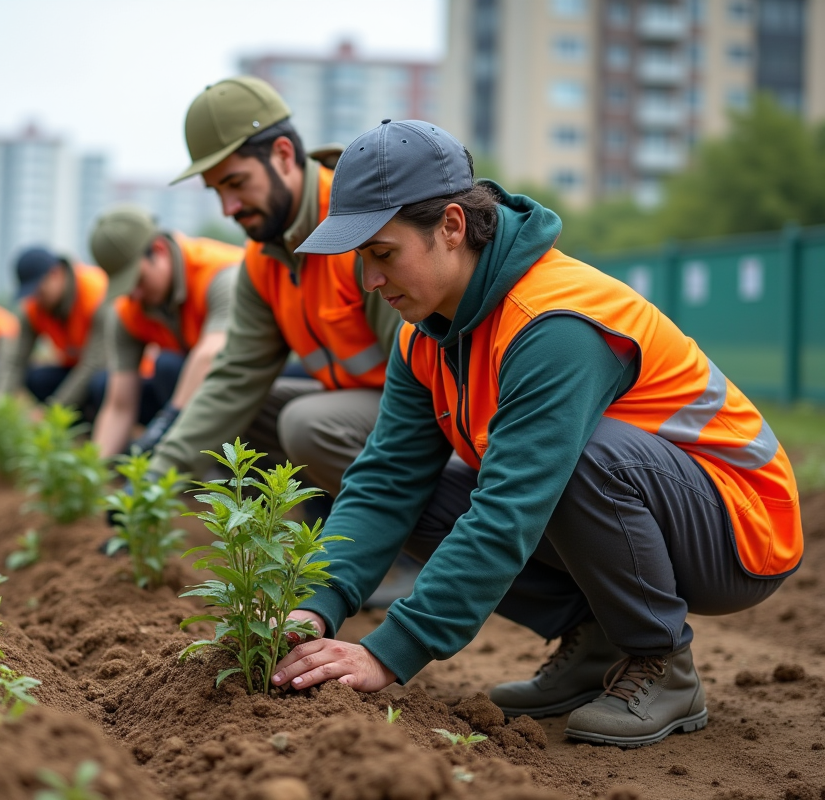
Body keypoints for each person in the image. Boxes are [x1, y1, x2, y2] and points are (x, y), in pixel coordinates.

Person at [270, 119, 803, 749]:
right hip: (651, 512)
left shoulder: (553, 323)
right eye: (361, 259)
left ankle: (661, 661)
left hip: (738, 526)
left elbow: (510, 507)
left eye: (382, 253)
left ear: (451, 226)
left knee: (571, 461)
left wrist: (389, 652)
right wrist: (318, 603)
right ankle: (595, 642)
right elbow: (386, 480)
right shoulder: (427, 334)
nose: (370, 281)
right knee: (429, 491)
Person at [149, 76, 402, 515]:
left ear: (283, 155)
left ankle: (399, 541)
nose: (228, 208)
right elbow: (234, 378)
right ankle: (282, 546)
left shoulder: (359, 226)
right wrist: (153, 484)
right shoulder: (261, 260)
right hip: (359, 412)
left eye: (236, 182)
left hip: (422, 413)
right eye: (217, 191)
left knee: (308, 423)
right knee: (236, 420)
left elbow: (420, 375)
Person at [90, 204, 242, 457]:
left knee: (167, 366)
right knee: (103, 385)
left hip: (252, 382)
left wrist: (161, 431)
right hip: (186, 391)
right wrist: (93, 472)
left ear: (159, 250)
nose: (134, 294)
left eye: (137, 280)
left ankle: (214, 466)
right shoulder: (128, 308)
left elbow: (210, 356)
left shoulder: (220, 274)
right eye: (125, 286)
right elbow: (119, 405)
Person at [0, 246, 112, 420]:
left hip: (111, 372)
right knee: (37, 378)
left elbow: (94, 364)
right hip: (74, 367)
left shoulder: (96, 293)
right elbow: (15, 361)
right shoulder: (34, 307)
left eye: (39, 291)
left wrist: (50, 412)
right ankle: (71, 425)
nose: (35, 299)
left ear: (56, 274)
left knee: (99, 384)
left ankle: (94, 429)